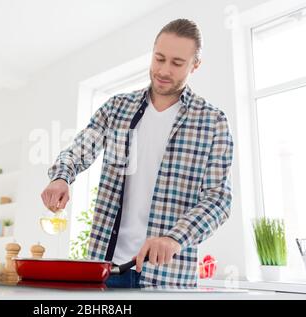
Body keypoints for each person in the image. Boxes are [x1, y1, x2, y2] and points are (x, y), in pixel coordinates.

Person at [41, 18, 234, 288]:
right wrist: (61, 177)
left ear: (195, 65)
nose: (164, 70)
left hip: (167, 278)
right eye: (159, 58)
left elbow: (218, 200)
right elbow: (78, 151)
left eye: (177, 63)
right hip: (107, 270)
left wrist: (174, 238)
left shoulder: (213, 121)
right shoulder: (117, 108)